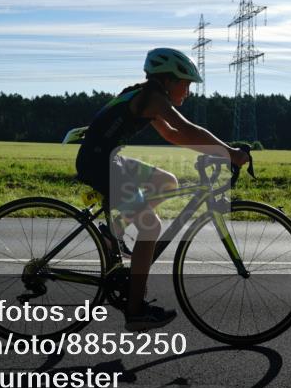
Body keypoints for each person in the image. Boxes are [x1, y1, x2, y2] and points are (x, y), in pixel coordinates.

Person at [74, 47, 250, 331]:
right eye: (186, 83)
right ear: (168, 80)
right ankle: (135, 310)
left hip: (106, 159)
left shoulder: (147, 95)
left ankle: (113, 233)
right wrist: (230, 152)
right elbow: (189, 128)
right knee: (151, 228)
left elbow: (173, 134)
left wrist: (216, 152)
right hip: (100, 164)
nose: (189, 91)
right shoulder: (153, 98)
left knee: (165, 181)